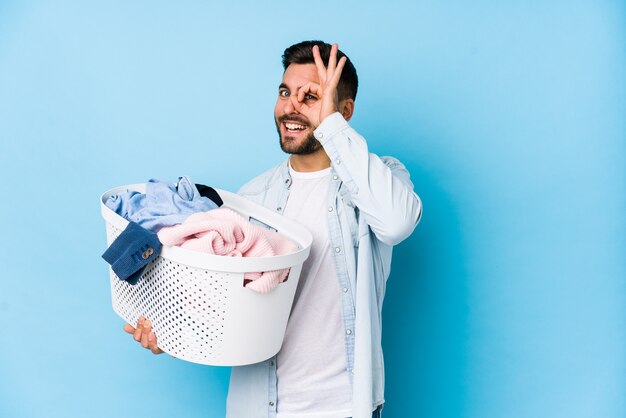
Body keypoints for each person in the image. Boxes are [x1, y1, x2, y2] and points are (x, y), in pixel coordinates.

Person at [124, 40, 422, 418]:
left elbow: (397, 223)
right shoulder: (251, 199)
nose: (290, 107)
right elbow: (221, 309)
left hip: (346, 409)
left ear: (343, 111)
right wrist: (170, 333)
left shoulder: (380, 179)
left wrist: (331, 126)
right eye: (285, 92)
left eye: (310, 96)